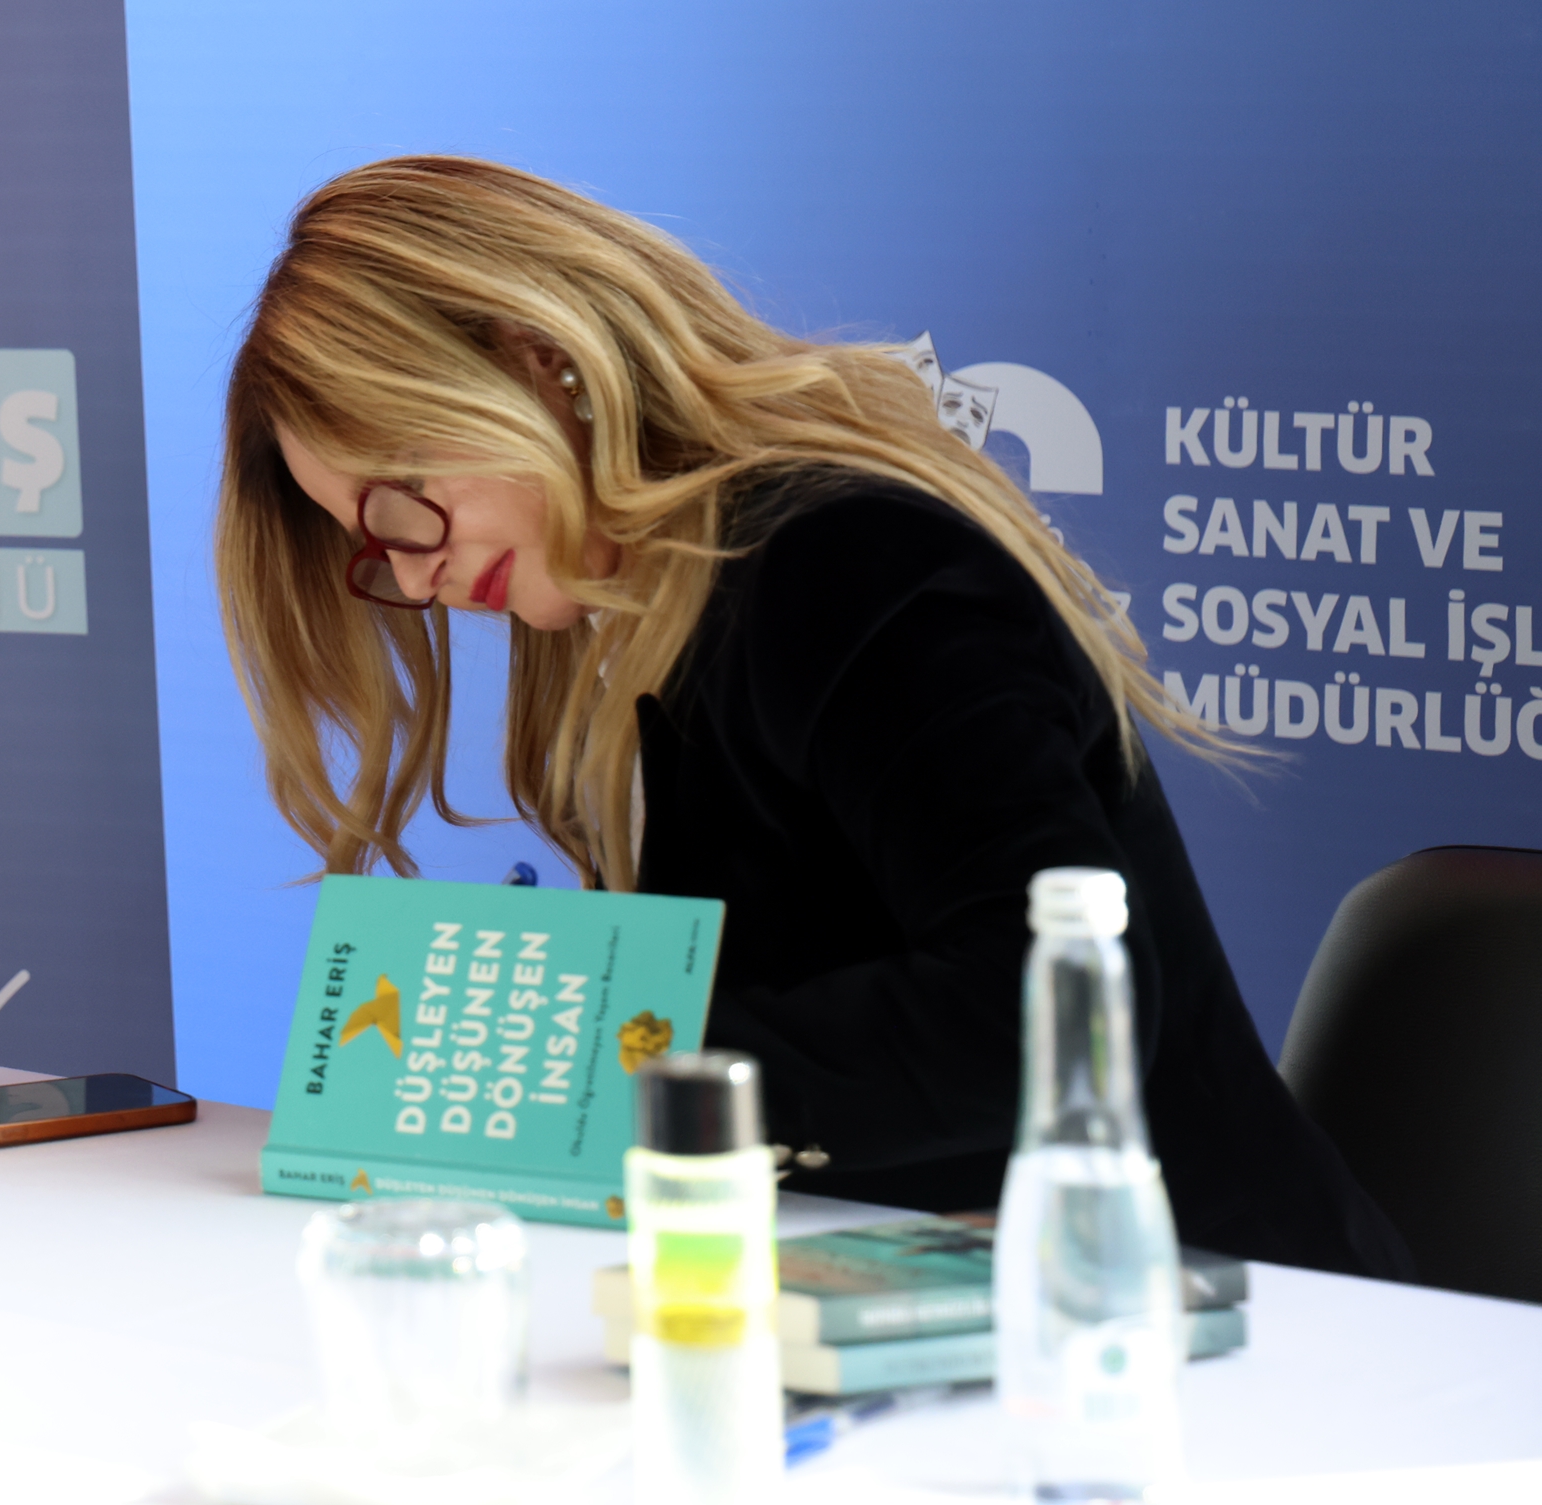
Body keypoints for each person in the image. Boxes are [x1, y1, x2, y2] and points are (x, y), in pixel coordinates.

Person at [217, 156, 1411, 1277]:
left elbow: (1047, 1004)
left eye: (403, 501)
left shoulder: (852, 563)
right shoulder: (640, 619)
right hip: (946, 1280)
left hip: (1211, 1311)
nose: (414, 573)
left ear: (537, 360)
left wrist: (613, 1067)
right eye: (371, 547)